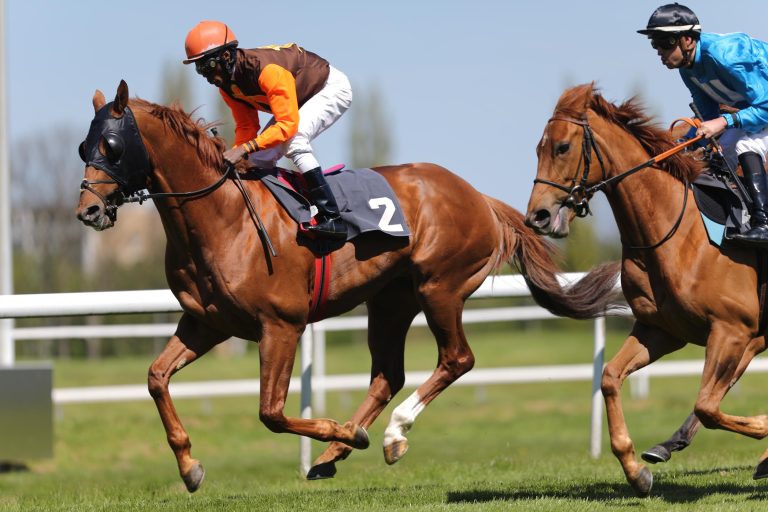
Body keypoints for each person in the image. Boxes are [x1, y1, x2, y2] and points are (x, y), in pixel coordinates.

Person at [183, 20, 352, 240]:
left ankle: (332, 217)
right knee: (256, 160)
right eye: (199, 68)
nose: (204, 74)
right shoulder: (226, 86)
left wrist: (243, 149)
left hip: (328, 88)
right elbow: (247, 127)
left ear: (226, 57)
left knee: (295, 140)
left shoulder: (266, 70)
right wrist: (240, 156)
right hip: (298, 100)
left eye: (207, 65)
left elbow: (287, 125)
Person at [639, 3, 768, 247]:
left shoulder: (726, 55)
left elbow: (764, 105)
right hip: (755, 110)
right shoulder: (687, 68)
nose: (659, 52)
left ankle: (764, 223)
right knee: (717, 154)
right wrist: (685, 143)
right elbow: (708, 116)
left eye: (665, 42)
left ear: (688, 40)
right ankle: (738, 221)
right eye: (655, 44)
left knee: (744, 146)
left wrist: (724, 121)